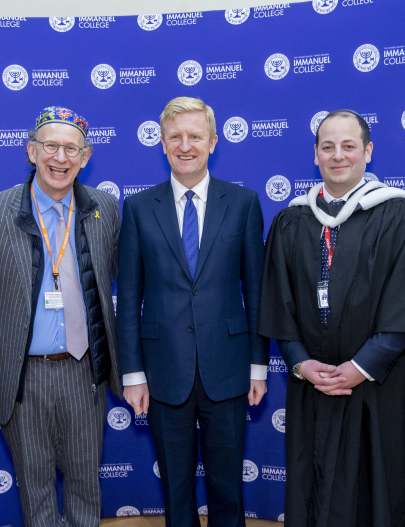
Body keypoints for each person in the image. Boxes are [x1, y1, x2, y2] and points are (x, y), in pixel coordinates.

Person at [259, 109, 405, 527]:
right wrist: (299, 362)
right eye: (328, 147)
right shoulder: (291, 219)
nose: (338, 156)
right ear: (315, 155)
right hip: (313, 384)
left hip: (378, 386)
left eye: (349, 146)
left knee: (374, 491)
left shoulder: (402, 215)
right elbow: (278, 301)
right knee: (311, 484)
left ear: (368, 152)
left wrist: (360, 367)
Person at [0, 106, 122, 527]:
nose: (60, 157)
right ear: (30, 151)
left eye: (72, 149)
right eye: (50, 146)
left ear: (86, 158)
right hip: (22, 377)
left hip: (84, 369)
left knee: (86, 482)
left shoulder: (106, 209)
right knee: (34, 486)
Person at [117, 96, 269, 527]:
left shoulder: (243, 203)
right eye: (175, 137)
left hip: (229, 367)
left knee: (227, 488)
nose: (185, 146)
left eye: (195, 137)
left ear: (213, 142)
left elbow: (257, 292)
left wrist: (258, 366)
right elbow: (128, 298)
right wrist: (133, 374)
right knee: (176, 489)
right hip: (163, 371)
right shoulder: (139, 208)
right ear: (162, 144)